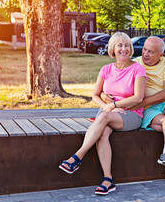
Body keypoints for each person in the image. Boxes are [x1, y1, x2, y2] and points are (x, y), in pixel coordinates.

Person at [59, 32, 147, 195]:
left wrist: (114, 105)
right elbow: (95, 95)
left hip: (131, 114)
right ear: (113, 48)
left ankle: (77, 157)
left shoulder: (138, 69)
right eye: (120, 45)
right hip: (109, 112)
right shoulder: (106, 69)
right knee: (103, 134)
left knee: (103, 117)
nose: (124, 49)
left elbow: (138, 97)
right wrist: (108, 106)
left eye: (127, 45)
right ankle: (108, 179)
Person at [101, 36, 165, 185]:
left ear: (161, 55)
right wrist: (104, 95)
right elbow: (113, 77)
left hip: (161, 104)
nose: (145, 54)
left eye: (151, 52)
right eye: (144, 49)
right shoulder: (136, 63)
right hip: (144, 110)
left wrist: (143, 101)